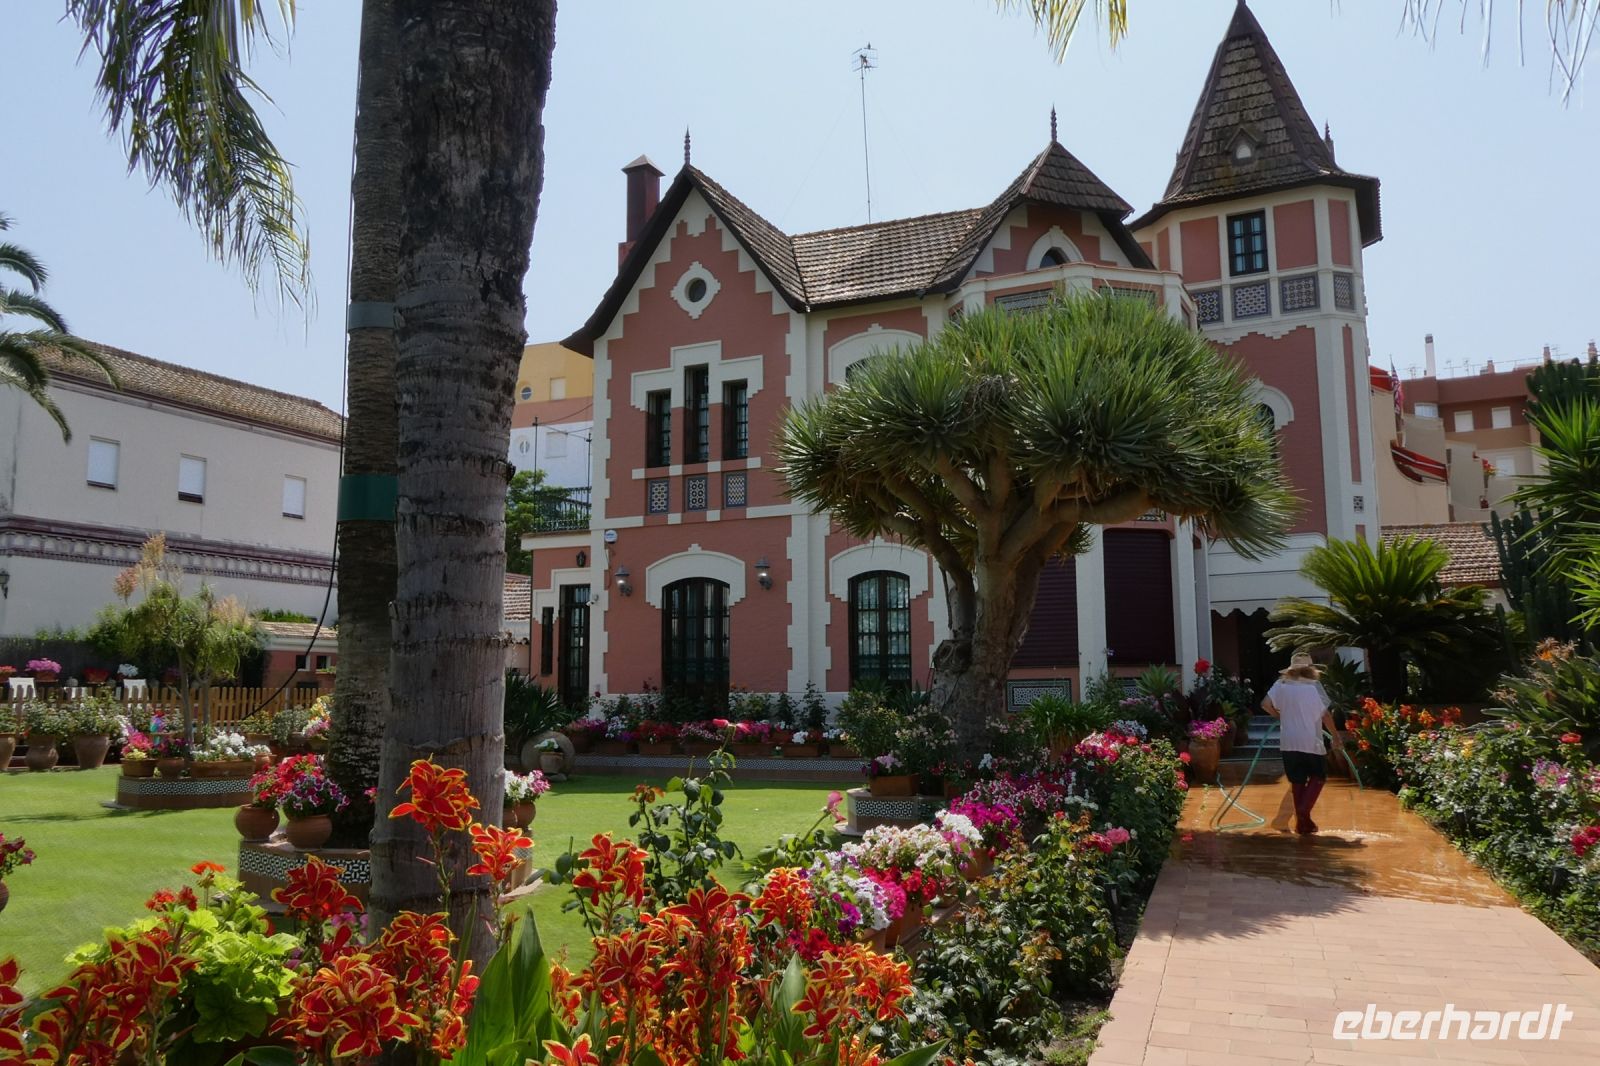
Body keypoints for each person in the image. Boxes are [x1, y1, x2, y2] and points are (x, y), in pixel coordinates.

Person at [1262, 652, 1339, 835]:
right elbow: (1326, 715)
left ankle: (1302, 824)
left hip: (1288, 741)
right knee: (1318, 776)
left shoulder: (1281, 684)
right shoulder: (1314, 686)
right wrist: (1336, 736)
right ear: (1310, 670)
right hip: (1311, 741)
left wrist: (1280, 716)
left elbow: (1265, 704)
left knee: (1297, 780)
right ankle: (1303, 814)